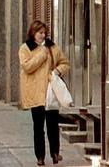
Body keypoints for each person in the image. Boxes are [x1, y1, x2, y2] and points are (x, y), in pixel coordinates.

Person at [19, 20, 70, 165]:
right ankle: (40, 157)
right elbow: (27, 67)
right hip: (35, 93)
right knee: (38, 127)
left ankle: (55, 153)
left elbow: (65, 63)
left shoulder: (52, 47)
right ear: (33, 33)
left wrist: (56, 71)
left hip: (50, 92)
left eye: (44, 33)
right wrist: (42, 55)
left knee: (53, 125)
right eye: (39, 32)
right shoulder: (25, 48)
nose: (42, 35)